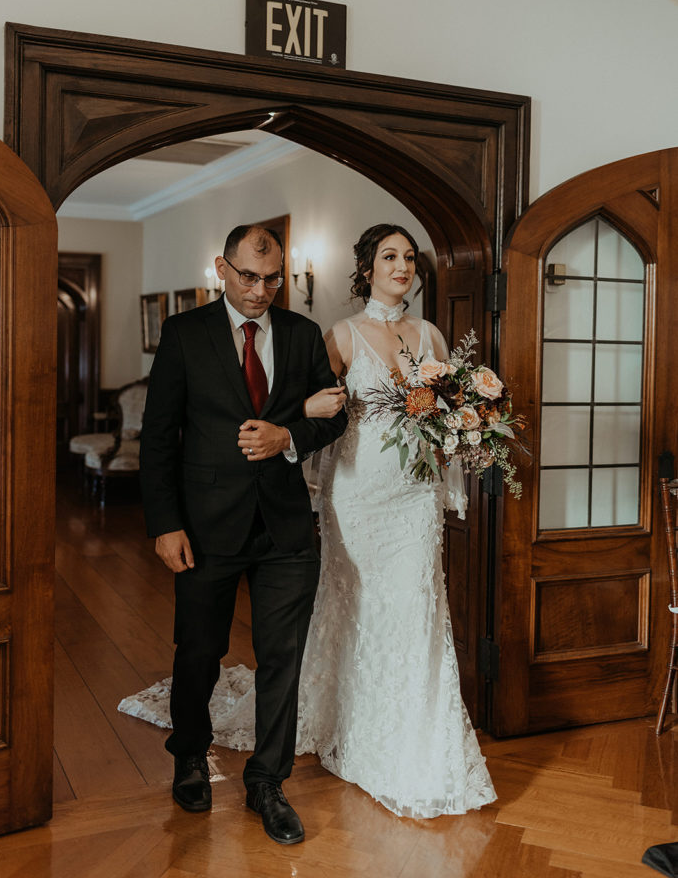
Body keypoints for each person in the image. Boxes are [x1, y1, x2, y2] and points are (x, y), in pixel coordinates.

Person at [139, 224, 347, 846]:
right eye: (249, 277)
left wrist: (289, 437)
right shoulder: (183, 335)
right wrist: (164, 523)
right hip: (204, 526)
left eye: (272, 278)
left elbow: (333, 414)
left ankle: (267, 782)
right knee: (198, 651)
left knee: (281, 659)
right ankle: (190, 753)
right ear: (221, 269)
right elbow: (158, 438)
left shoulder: (305, 334)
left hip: (285, 524)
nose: (261, 291)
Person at [295, 223, 495, 818]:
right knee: (354, 607)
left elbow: (451, 410)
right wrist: (310, 407)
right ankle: (346, 718)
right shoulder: (340, 336)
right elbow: (312, 411)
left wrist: (467, 430)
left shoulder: (431, 334)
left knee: (415, 609)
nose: (403, 265)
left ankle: (414, 745)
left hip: (413, 496)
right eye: (390, 256)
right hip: (356, 496)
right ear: (367, 268)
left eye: (410, 257)